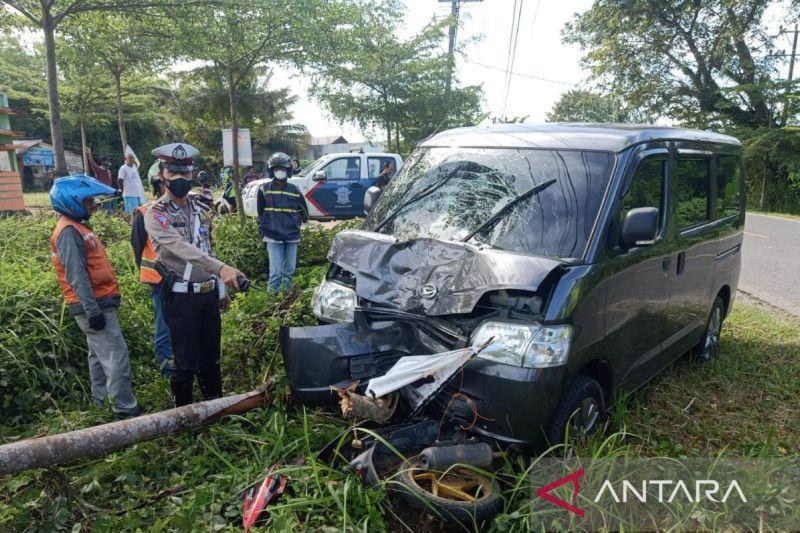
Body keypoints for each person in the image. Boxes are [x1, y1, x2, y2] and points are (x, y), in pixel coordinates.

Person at [144, 143, 245, 406]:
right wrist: (222, 269)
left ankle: (214, 407)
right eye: (173, 173)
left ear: (192, 174)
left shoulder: (200, 208)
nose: (180, 179)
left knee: (211, 356)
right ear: (162, 175)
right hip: (181, 297)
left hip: (208, 294)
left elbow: (208, 247)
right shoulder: (156, 213)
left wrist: (220, 287)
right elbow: (180, 247)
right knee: (185, 360)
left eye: (185, 174)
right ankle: (184, 415)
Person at [49, 175, 140, 419]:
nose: (94, 205)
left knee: (99, 359)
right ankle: (125, 411)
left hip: (98, 302)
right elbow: (76, 276)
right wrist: (93, 311)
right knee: (116, 358)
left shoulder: (76, 226)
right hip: (93, 305)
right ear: (72, 201)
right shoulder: (68, 231)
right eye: (89, 201)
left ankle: (100, 406)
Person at [130, 165, 174, 377]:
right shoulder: (144, 212)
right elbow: (137, 247)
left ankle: (180, 364)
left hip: (182, 278)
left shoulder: (183, 209)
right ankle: (168, 370)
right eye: (164, 182)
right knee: (163, 325)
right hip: (158, 280)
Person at [257, 152, 308, 292]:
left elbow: (304, 213)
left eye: (283, 169)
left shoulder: (295, 190)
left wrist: (298, 224)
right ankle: (271, 304)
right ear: (272, 171)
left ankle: (286, 300)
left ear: (288, 171)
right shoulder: (263, 189)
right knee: (275, 273)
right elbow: (260, 213)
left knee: (289, 272)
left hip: (292, 236)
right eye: (277, 169)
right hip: (272, 236)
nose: (280, 172)